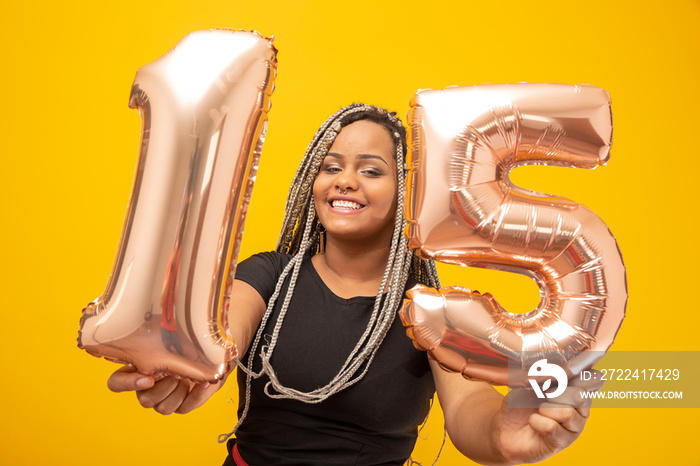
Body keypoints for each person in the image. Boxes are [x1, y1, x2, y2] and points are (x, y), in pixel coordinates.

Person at [108, 103, 603, 465]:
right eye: (331, 166)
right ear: (312, 183)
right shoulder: (269, 276)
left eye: (371, 170)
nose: (345, 180)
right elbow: (225, 334)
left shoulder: (427, 310)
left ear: (406, 191)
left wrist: (502, 434)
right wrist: (192, 365)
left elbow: (470, 406)